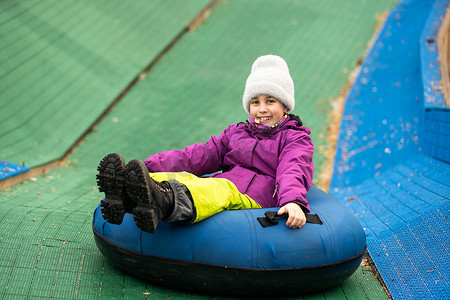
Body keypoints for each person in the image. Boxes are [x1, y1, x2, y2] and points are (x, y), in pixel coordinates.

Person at [96, 55, 314, 233]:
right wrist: (148, 167)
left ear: (285, 106)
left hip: (259, 193)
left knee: (217, 189)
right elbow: (199, 155)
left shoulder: (294, 138)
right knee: (186, 178)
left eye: (270, 101)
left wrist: (293, 200)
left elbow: (293, 169)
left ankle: (162, 201)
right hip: (229, 182)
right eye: (255, 102)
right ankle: (126, 191)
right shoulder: (237, 133)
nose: (262, 109)